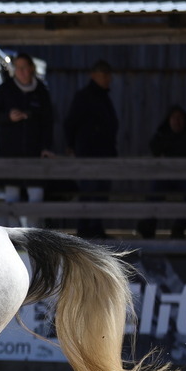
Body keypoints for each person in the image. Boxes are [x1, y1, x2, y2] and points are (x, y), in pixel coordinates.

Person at [0, 53, 54, 226]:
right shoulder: (6, 89)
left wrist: (47, 147)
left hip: (34, 152)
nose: (22, 72)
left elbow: (49, 122)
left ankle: (33, 238)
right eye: (18, 68)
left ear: (31, 68)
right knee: (11, 198)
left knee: (36, 197)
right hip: (10, 151)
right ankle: (15, 239)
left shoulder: (41, 91)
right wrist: (8, 116)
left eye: (25, 68)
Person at [64, 59, 118, 239]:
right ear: (94, 75)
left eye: (108, 74)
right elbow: (71, 122)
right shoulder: (84, 97)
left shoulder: (104, 97)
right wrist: (70, 145)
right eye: (104, 74)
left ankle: (96, 227)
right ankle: (86, 229)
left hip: (105, 153)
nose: (107, 78)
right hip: (88, 153)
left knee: (101, 192)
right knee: (89, 191)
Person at [138, 105, 186, 239]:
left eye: (180, 118)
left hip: (185, 177)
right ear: (169, 120)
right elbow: (155, 148)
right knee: (154, 195)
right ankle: (148, 228)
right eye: (174, 118)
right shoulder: (162, 136)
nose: (177, 121)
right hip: (164, 176)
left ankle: (178, 228)